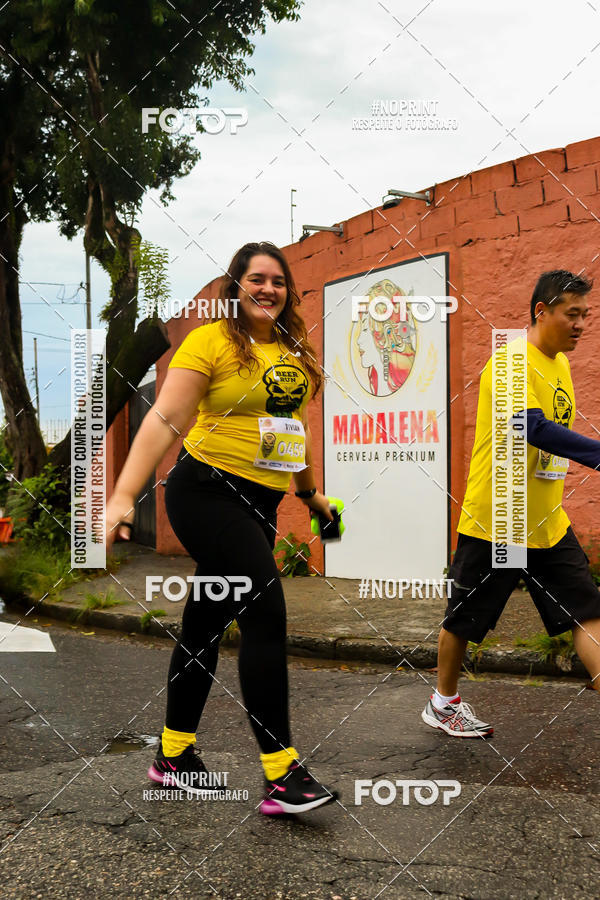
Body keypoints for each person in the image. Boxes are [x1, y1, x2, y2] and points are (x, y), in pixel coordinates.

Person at [106, 241, 340, 813]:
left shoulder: (294, 351)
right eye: (256, 279)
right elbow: (166, 417)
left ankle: (173, 756)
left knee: (205, 624)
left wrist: (308, 493)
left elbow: (293, 428)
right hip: (207, 492)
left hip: (261, 502)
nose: (268, 289)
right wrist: (124, 496)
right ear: (235, 287)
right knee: (265, 610)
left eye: (278, 281)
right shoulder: (210, 341)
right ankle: (282, 774)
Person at [422, 270, 600, 737]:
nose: (581, 324)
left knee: (587, 611)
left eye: (586, 315)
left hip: (547, 520)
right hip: (499, 518)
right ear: (542, 311)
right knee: (464, 619)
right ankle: (443, 703)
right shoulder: (511, 362)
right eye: (573, 314)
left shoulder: (559, 365)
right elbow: (532, 426)